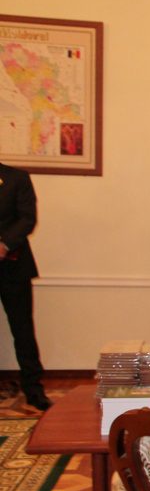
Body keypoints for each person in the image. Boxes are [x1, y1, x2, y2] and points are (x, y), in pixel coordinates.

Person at [0, 162, 51, 411]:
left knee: (22, 330)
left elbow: (27, 218)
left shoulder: (17, 178)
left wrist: (4, 244)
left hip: (13, 265)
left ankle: (33, 389)